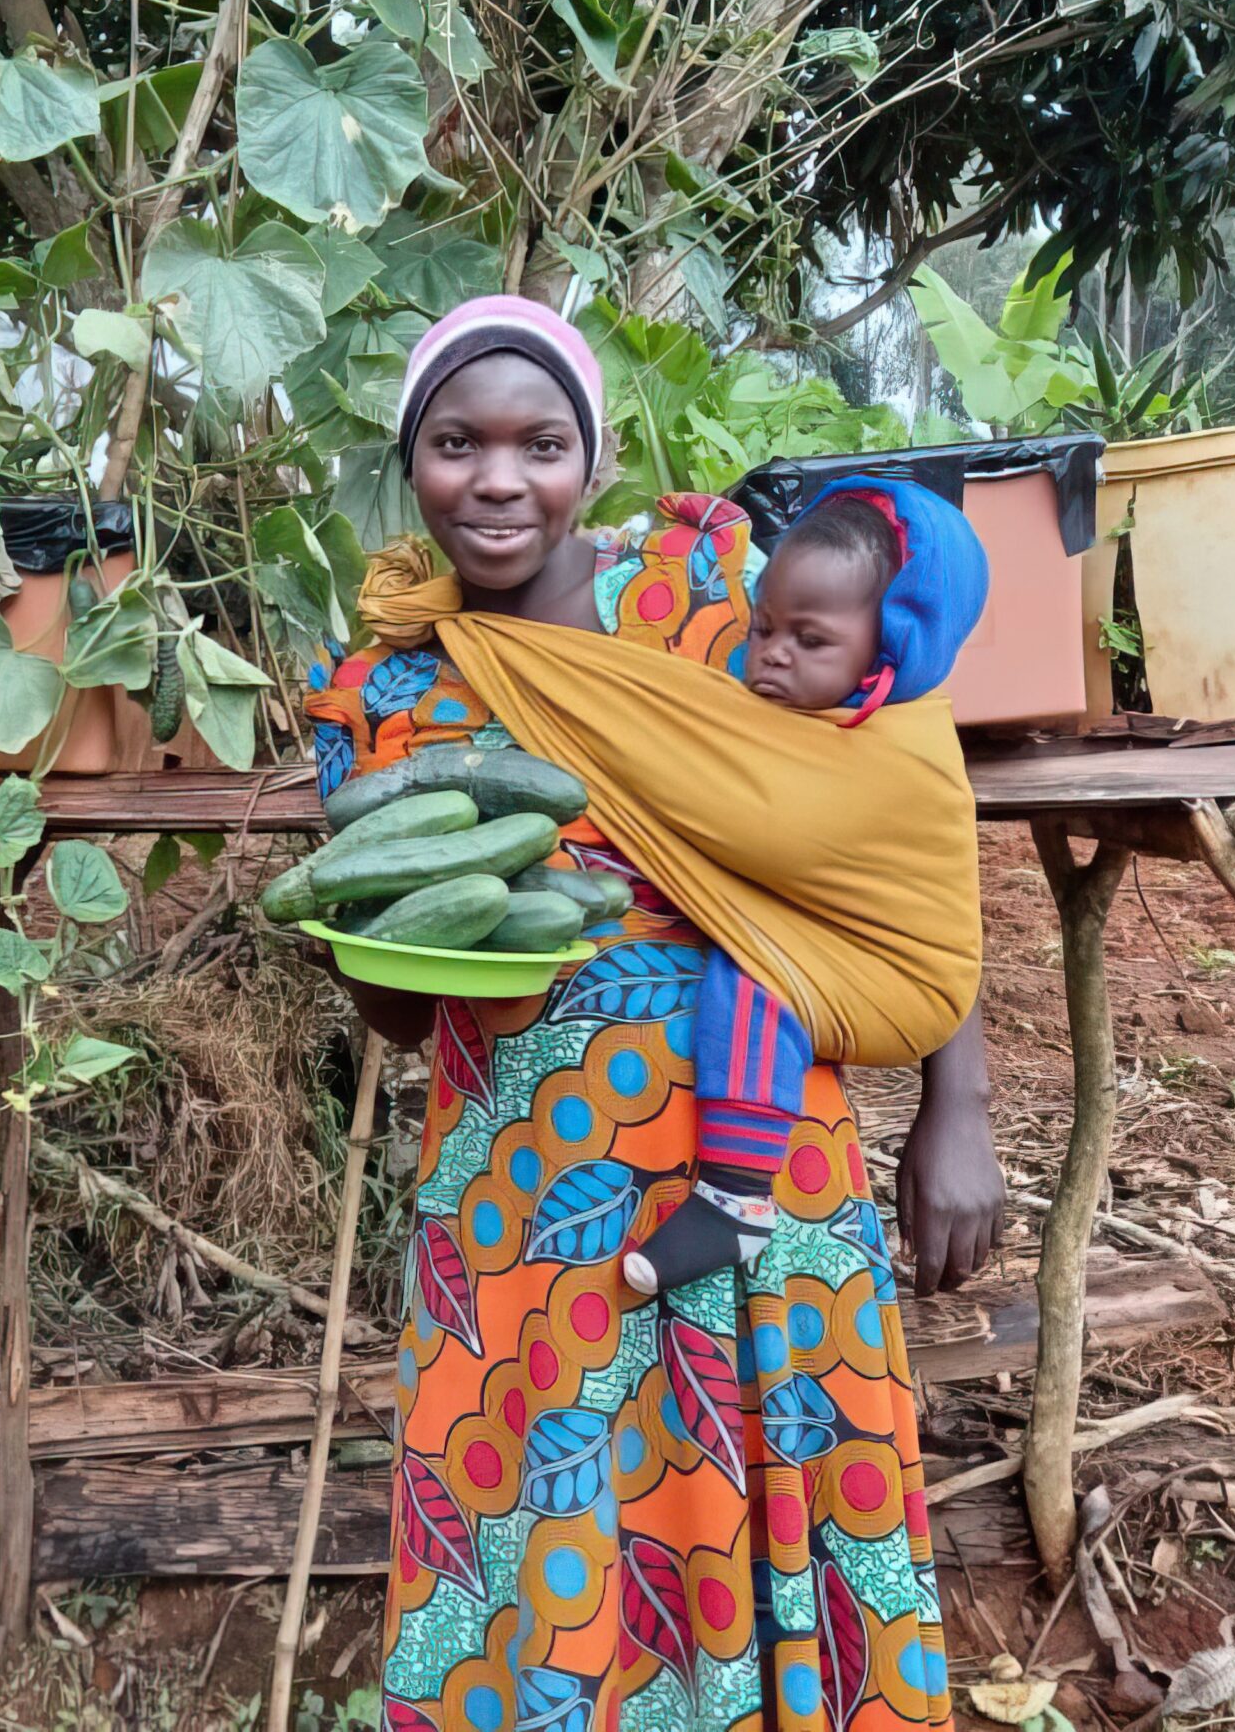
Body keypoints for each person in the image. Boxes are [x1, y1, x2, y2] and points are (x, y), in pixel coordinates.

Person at [307, 294, 997, 1730]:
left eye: (540, 443)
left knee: (775, 1503)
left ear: (591, 459)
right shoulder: (386, 689)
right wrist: (369, 947)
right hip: (518, 1183)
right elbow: (385, 1008)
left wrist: (959, 1098)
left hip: (759, 1150)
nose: (500, 480)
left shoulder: (708, 598)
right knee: (541, 1543)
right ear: (412, 462)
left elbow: (891, 833)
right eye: (457, 444)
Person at [622, 483, 989, 1299]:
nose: (772, 655)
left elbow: (923, 892)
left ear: (891, 649)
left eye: (811, 640)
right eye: (763, 628)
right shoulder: (767, 700)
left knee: (754, 977)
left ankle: (735, 1199)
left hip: (885, 977)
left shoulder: (899, 742)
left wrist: (965, 1101)